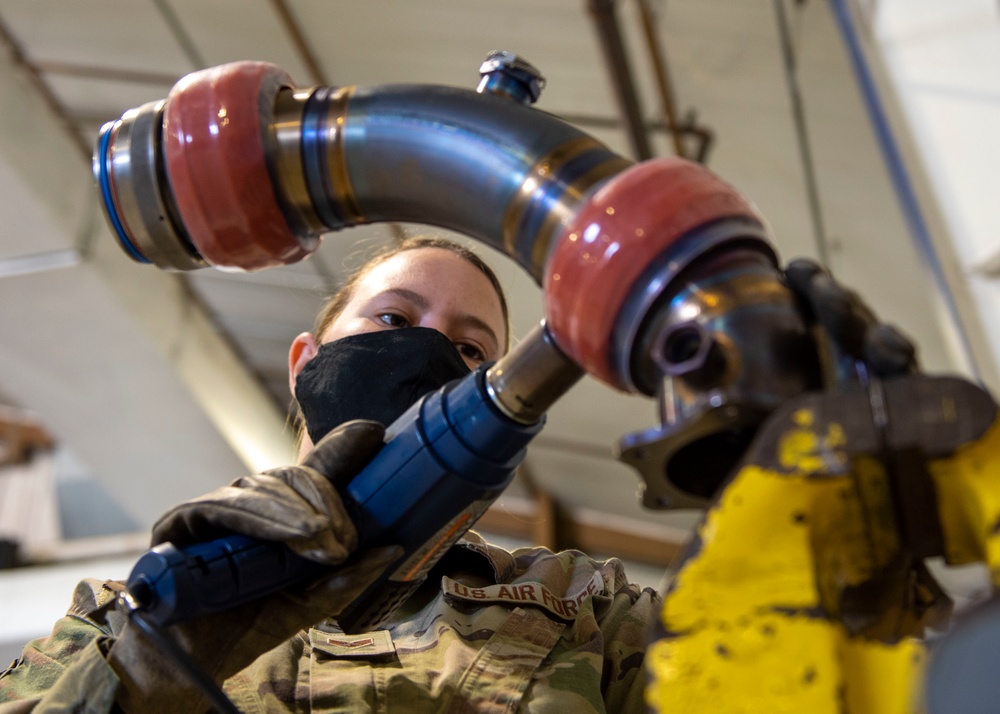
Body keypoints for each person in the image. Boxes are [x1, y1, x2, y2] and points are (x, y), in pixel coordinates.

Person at [0, 237, 659, 713]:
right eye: (394, 319)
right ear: (304, 363)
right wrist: (157, 657)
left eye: (469, 350)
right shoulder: (130, 615)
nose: (427, 351)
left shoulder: (585, 608)